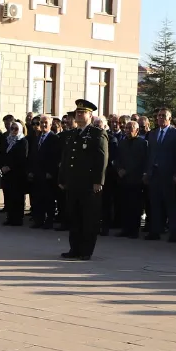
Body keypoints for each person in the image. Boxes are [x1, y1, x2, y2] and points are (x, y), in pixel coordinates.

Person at [58, 100, 108, 260]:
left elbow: (102, 159)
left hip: (88, 184)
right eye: (77, 113)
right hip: (73, 183)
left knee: (88, 218)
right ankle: (74, 248)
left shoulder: (97, 134)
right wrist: (62, 178)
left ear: (90, 115)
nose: (79, 115)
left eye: (82, 112)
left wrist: (98, 182)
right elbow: (66, 158)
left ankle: (86, 250)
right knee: (74, 216)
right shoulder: (72, 134)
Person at [144, 107, 176, 241]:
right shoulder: (153, 134)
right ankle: (155, 231)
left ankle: (173, 233)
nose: (160, 118)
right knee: (155, 204)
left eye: (163, 116)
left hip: (169, 175)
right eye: (159, 116)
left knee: (170, 205)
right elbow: (149, 154)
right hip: (154, 174)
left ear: (169, 118)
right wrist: (147, 172)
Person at [0, 119, 29, 226]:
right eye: (12, 128)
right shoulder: (7, 140)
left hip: (17, 174)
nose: (13, 130)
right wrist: (3, 166)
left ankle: (18, 218)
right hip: (7, 174)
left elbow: (22, 157)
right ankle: (10, 217)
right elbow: (3, 154)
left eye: (16, 129)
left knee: (17, 197)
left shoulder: (23, 141)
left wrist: (10, 167)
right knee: (9, 196)